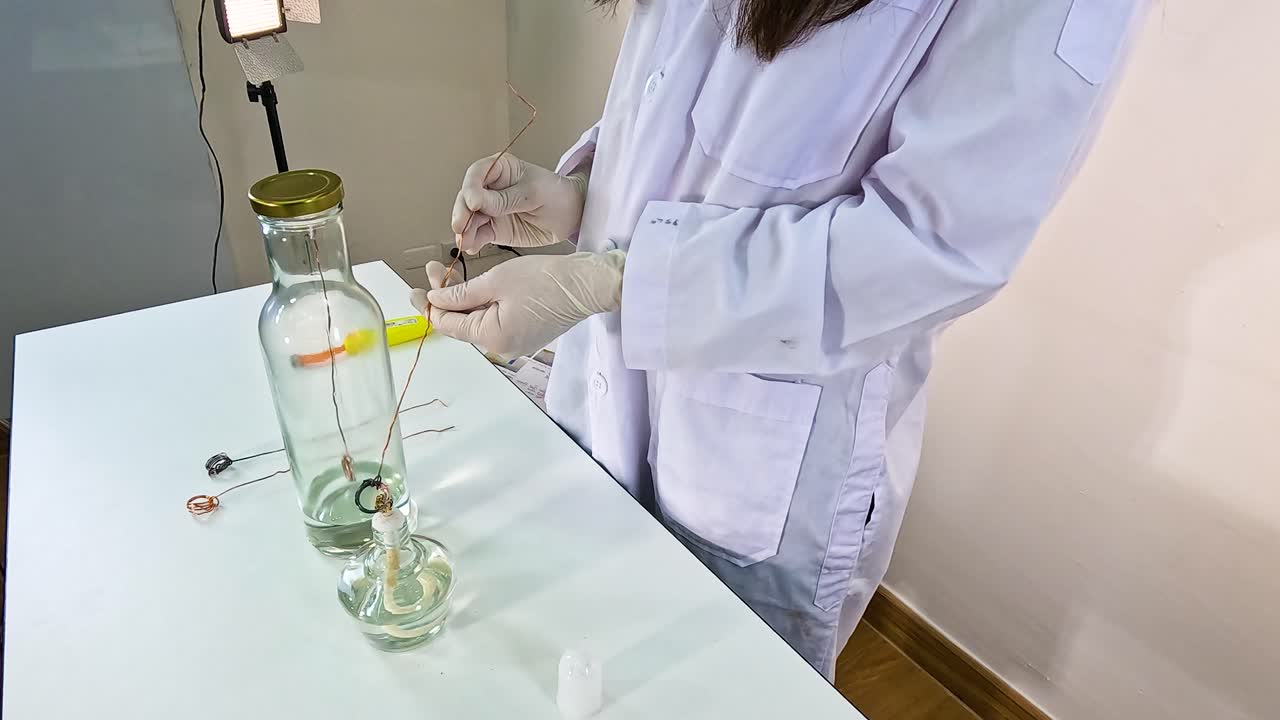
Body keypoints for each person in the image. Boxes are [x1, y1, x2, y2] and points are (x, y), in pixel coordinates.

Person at [411, 0, 1146, 679]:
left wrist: (622, 281)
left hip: (754, 464)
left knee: (710, 683)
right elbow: (689, 95)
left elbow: (927, 251)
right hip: (604, 388)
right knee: (576, 651)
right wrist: (582, 197)